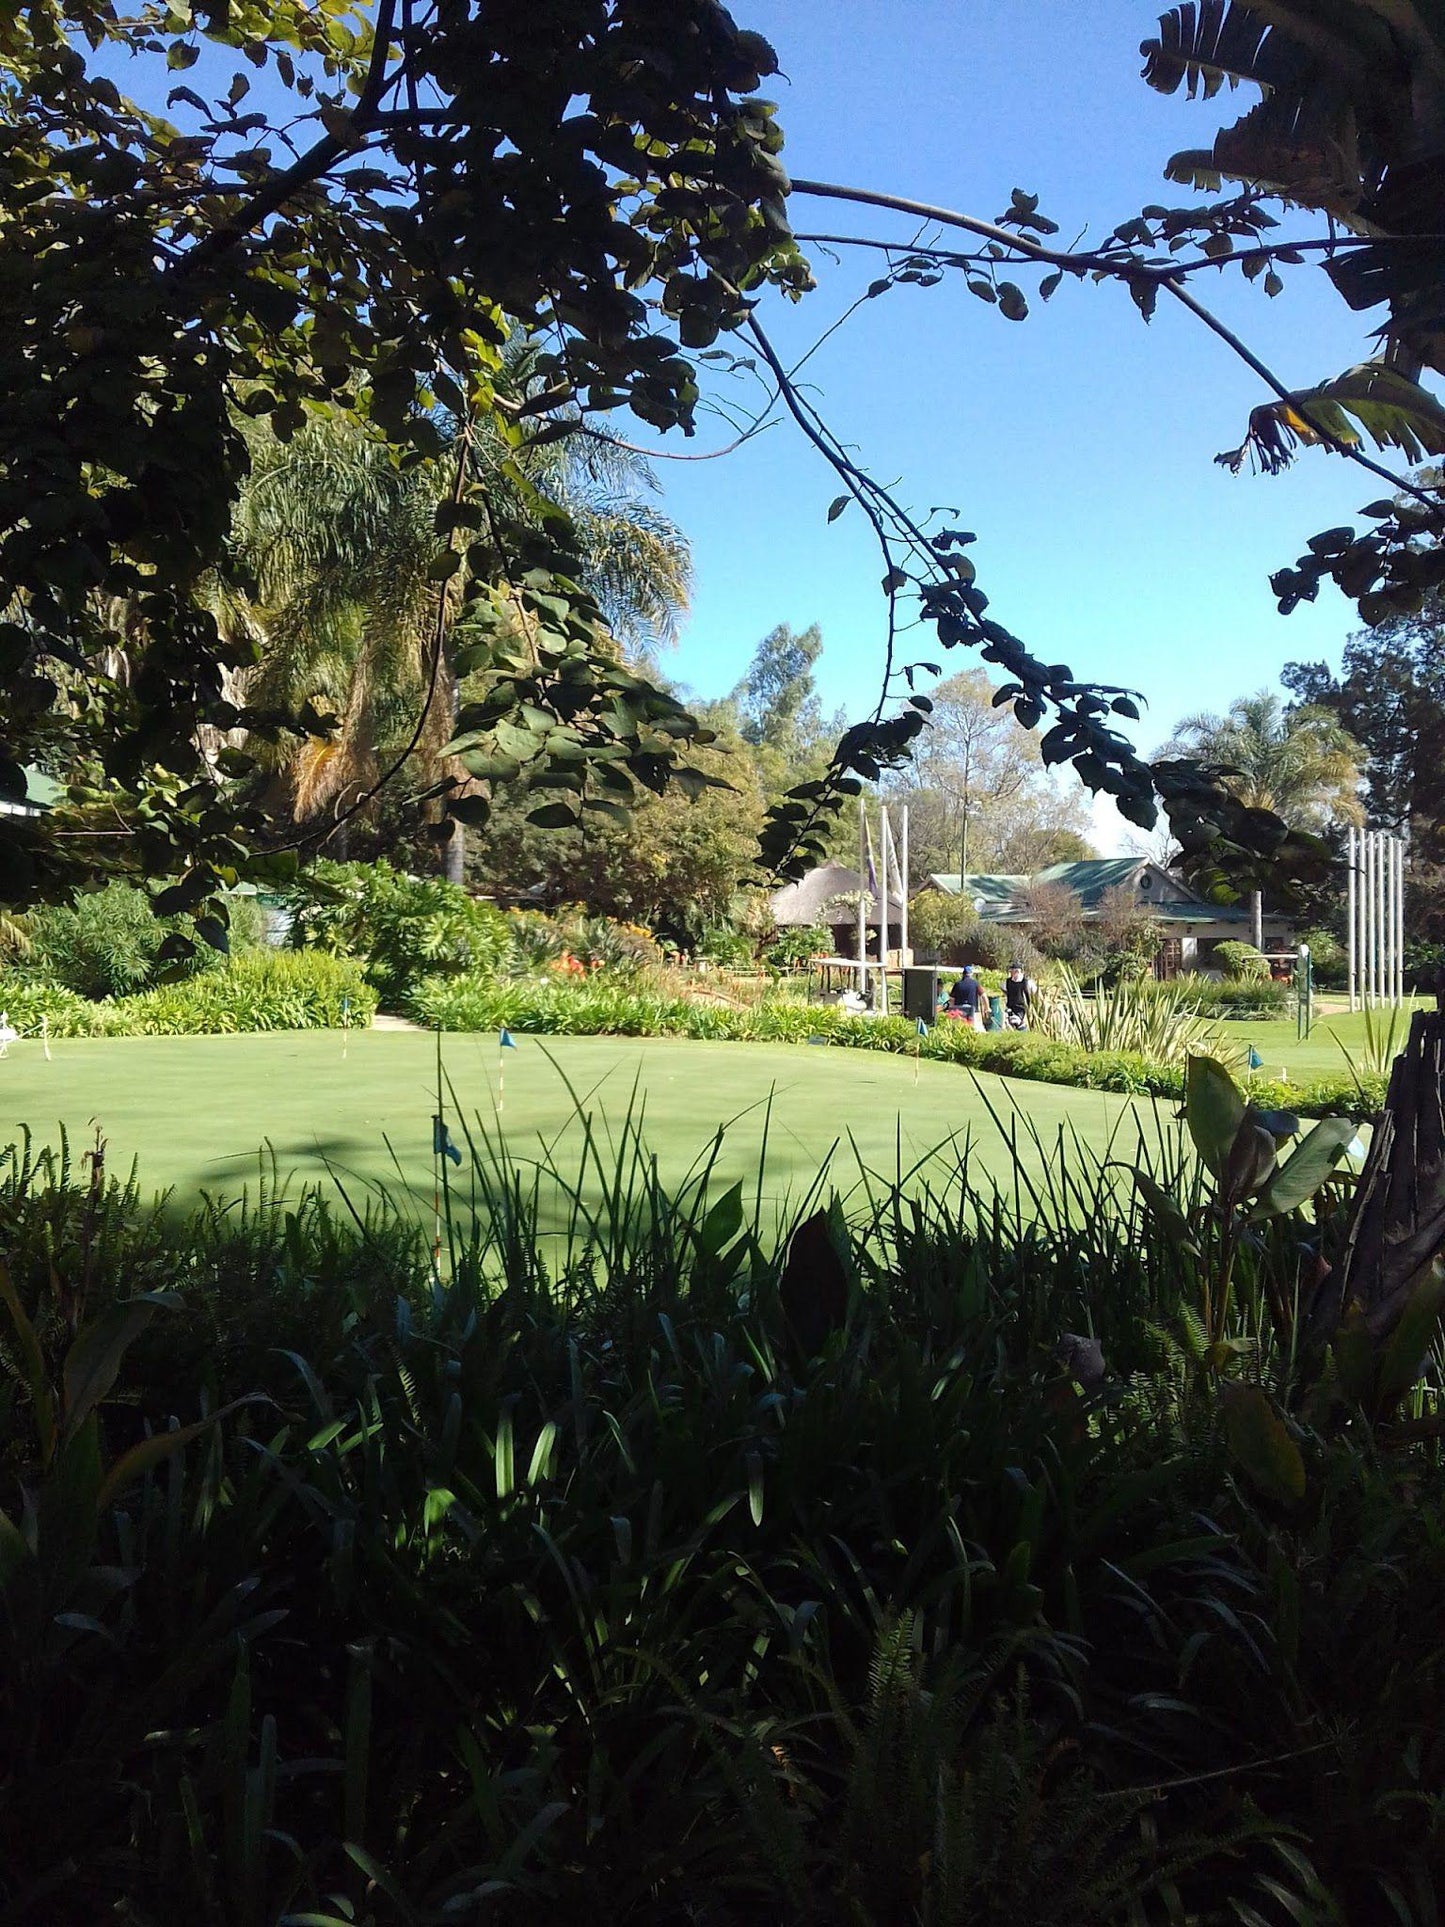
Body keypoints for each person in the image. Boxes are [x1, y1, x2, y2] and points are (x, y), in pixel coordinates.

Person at [1004, 963, 1031, 1030]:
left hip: (1022, 1007)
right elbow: (1003, 988)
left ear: (1017, 972)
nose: (1011, 973)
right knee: (1011, 1024)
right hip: (1010, 1006)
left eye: (1012, 971)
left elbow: (1033, 993)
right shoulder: (1008, 982)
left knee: (1019, 1024)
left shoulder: (1026, 982)